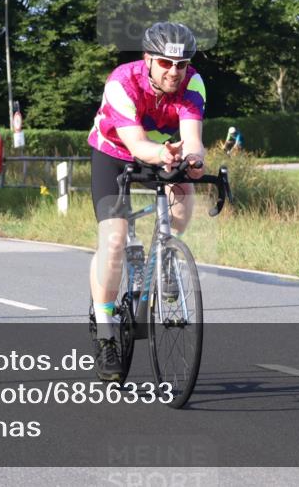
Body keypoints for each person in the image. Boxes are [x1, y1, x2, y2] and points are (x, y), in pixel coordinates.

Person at [87, 22, 207, 382]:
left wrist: (194, 160)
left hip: (163, 152)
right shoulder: (121, 82)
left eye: (181, 64)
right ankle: (106, 332)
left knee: (183, 195)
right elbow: (137, 145)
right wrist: (163, 154)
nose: (174, 72)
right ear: (147, 59)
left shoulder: (193, 84)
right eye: (165, 63)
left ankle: (166, 258)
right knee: (114, 240)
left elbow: (192, 138)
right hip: (115, 153)